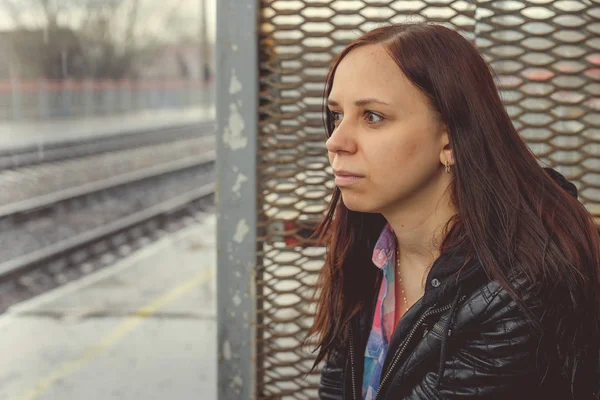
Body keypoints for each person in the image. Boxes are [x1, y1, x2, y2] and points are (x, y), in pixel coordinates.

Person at [308, 23, 600, 400]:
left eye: (372, 117)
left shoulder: (516, 286)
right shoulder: (368, 249)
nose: (335, 141)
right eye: (337, 115)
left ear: (450, 139)